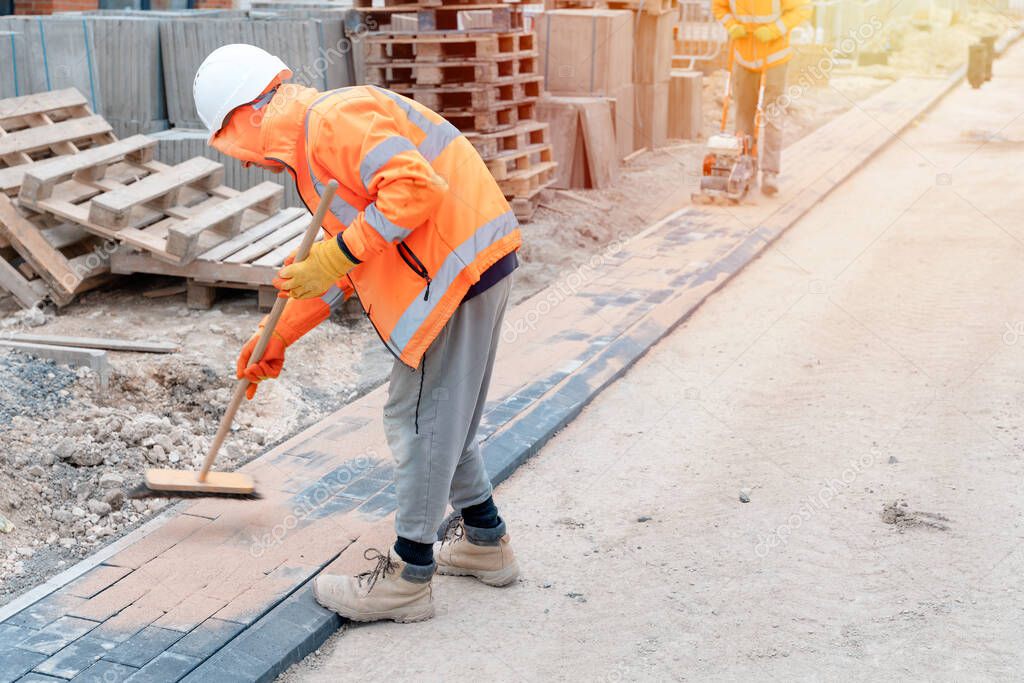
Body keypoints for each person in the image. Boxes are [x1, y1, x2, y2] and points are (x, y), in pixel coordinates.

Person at [193, 44, 521, 623]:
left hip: (458, 274)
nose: (240, 161)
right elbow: (350, 259)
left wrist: (339, 252)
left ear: (247, 114)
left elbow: (415, 190)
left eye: (228, 143)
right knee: (446, 420)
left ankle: (408, 577)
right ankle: (485, 542)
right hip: (475, 262)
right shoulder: (314, 150)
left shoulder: (331, 123)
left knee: (417, 419)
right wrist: (279, 335)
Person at [712, 0, 811, 195]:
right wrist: (731, 25)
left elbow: (803, 8)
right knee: (743, 114)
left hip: (774, 56)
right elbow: (718, 6)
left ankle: (769, 173)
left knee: (772, 114)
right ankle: (744, 168)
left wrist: (774, 30)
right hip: (743, 57)